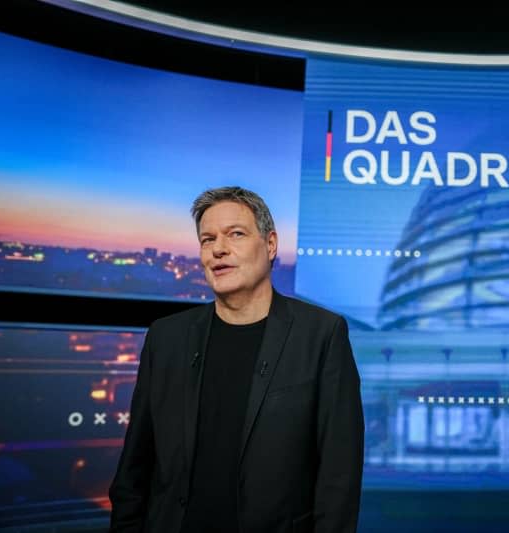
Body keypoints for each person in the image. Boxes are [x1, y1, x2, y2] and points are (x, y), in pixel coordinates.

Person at [109, 186, 364, 533]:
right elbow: (134, 468)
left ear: (270, 245)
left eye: (236, 234)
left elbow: (339, 476)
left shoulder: (321, 335)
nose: (219, 249)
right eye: (207, 239)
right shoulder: (166, 338)